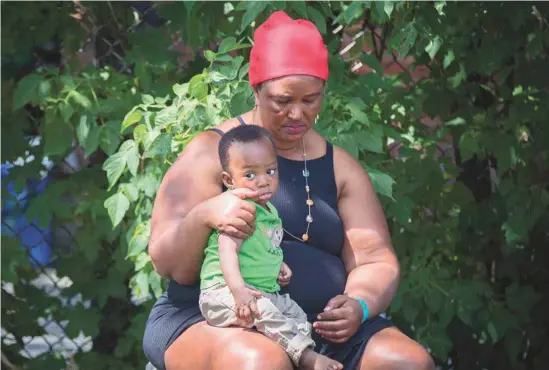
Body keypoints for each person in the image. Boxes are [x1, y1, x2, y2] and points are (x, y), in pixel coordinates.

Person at [143, 10, 435, 370]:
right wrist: (204, 216)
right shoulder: (211, 152)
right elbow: (166, 261)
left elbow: (374, 258)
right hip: (217, 317)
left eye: (310, 99)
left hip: (314, 327)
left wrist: (359, 304)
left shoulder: (339, 166)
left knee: (408, 362)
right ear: (256, 90)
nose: (297, 113)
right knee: (261, 363)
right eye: (283, 100)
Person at [199, 124, 343, 370]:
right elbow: (227, 251)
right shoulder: (238, 208)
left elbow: (263, 244)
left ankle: (296, 356)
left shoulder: (269, 210)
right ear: (228, 180)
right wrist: (238, 291)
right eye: (250, 175)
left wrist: (279, 264)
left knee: (295, 314)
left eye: (270, 171)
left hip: (260, 291)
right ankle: (307, 359)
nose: (264, 181)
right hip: (223, 292)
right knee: (267, 313)